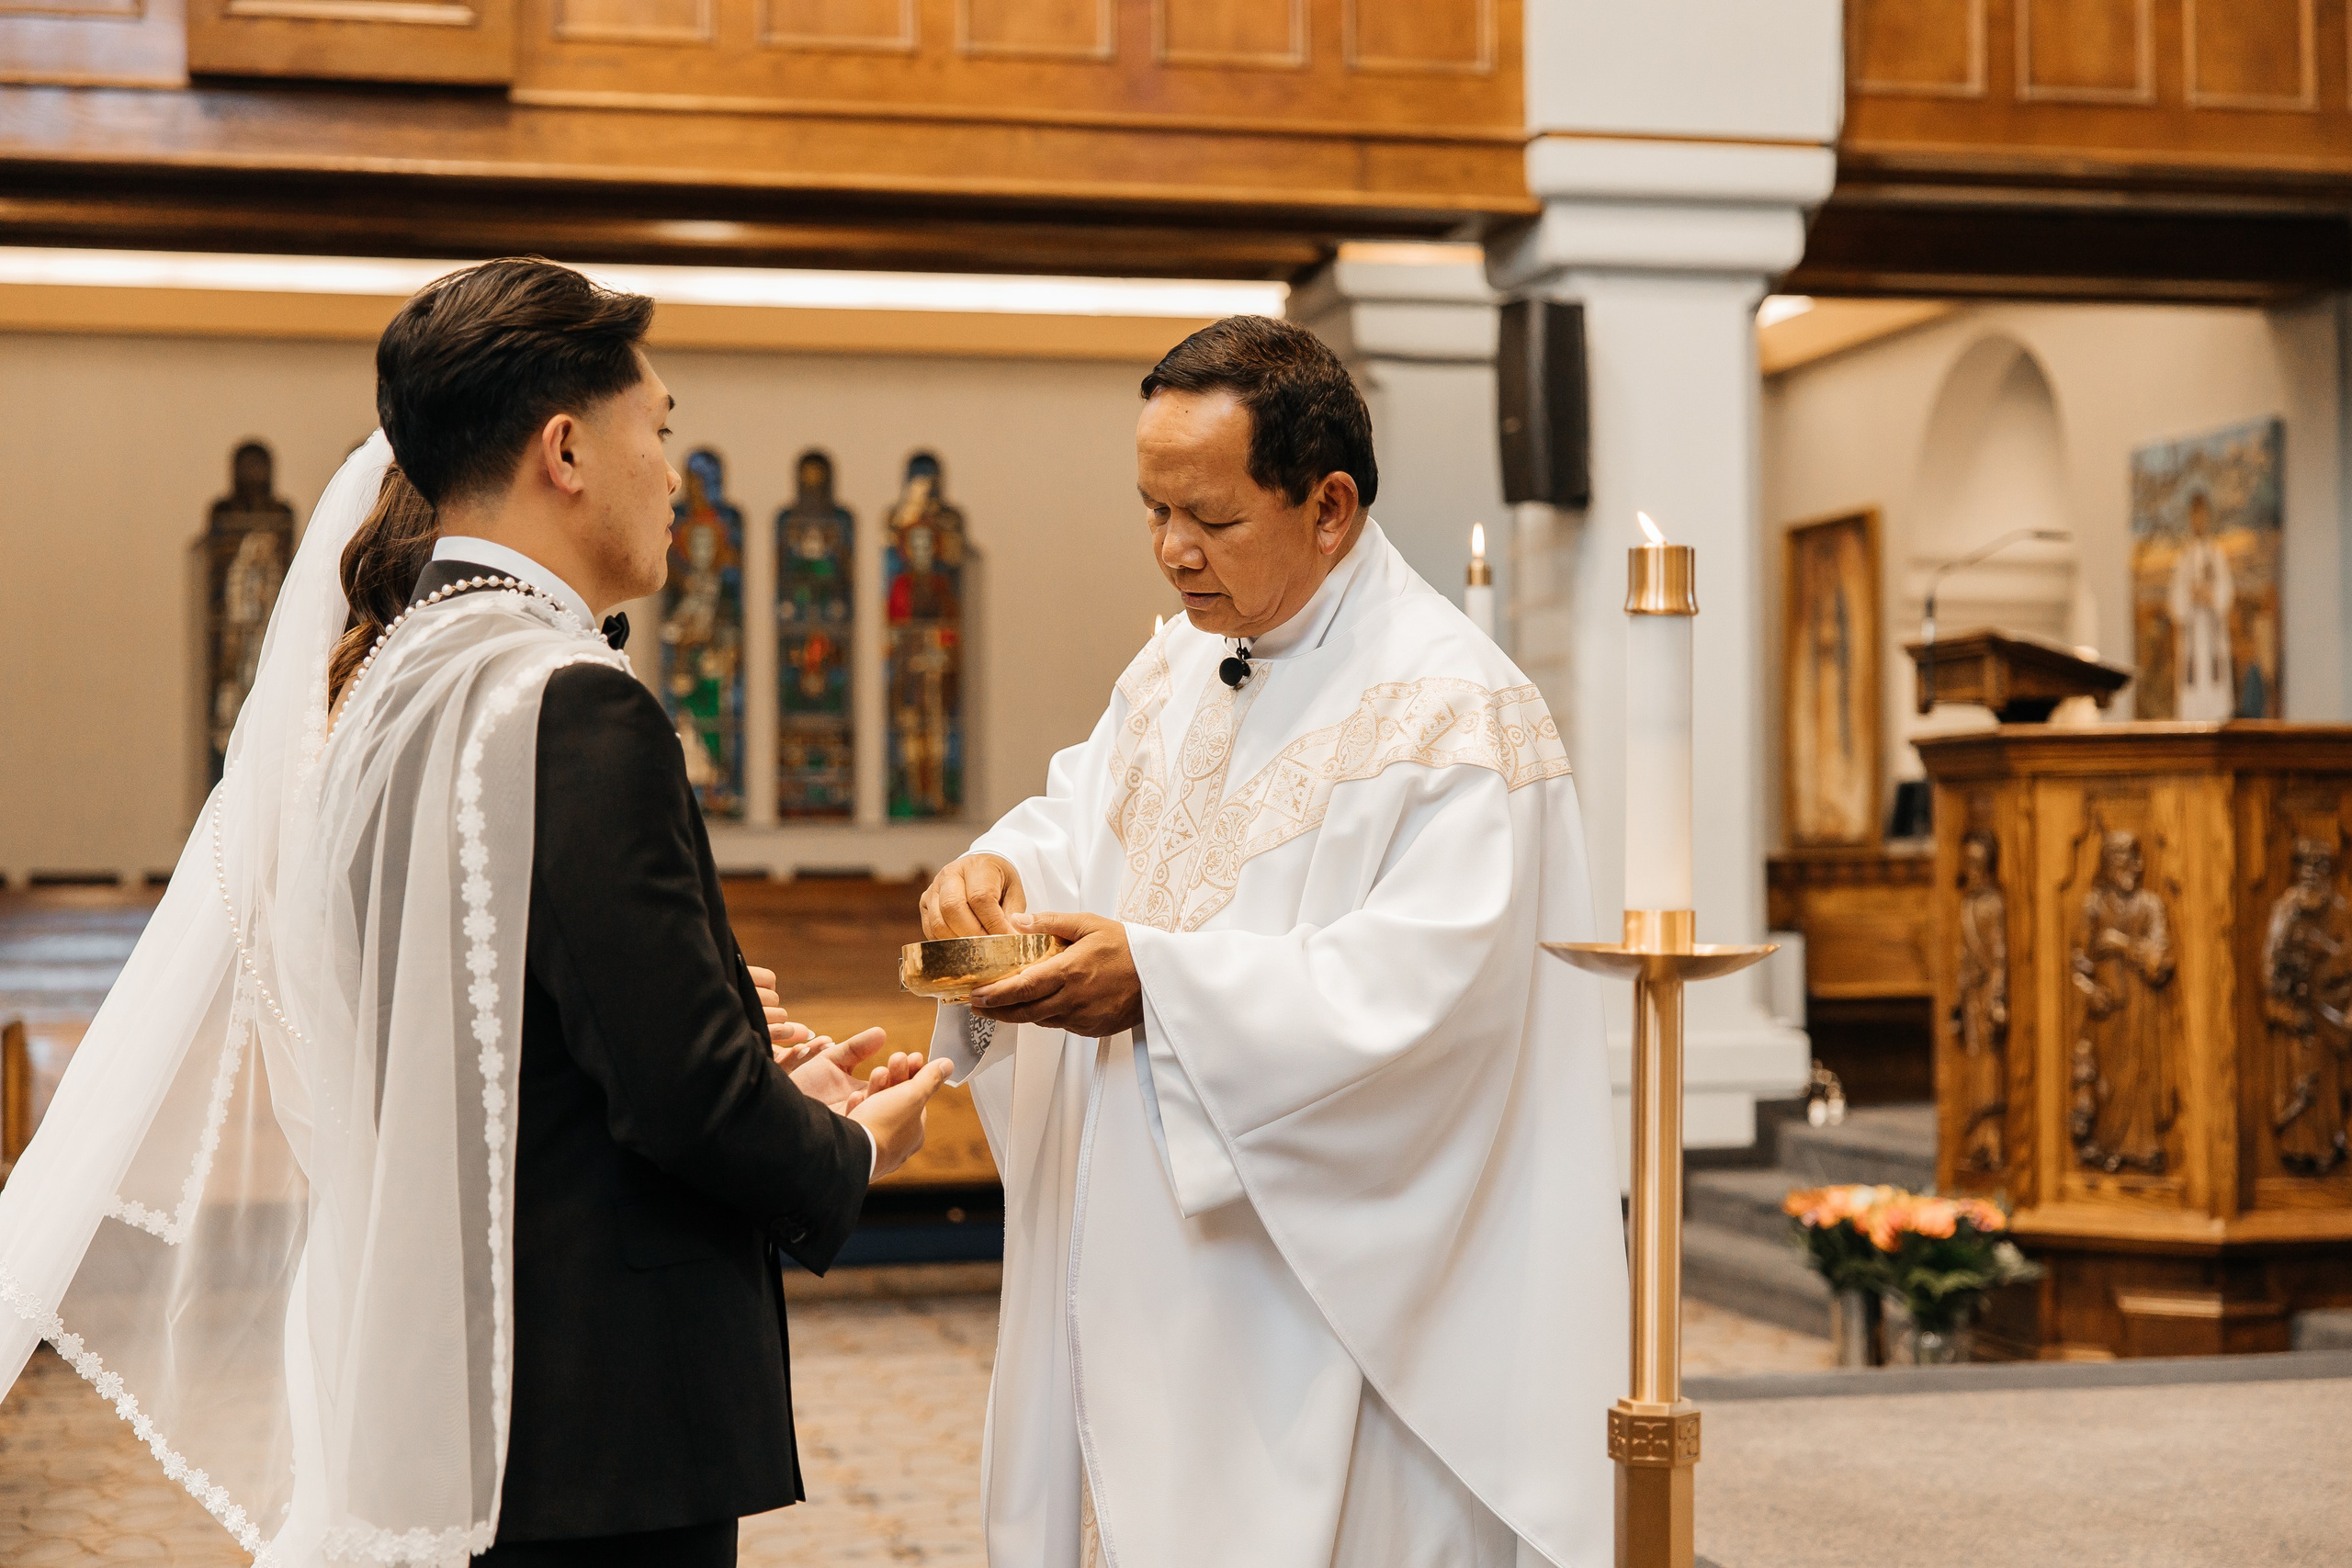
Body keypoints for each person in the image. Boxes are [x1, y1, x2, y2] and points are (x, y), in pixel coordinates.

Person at [0, 257, 953, 1568]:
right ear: (566, 447)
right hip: (595, 1407)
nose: (673, 472)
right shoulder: (572, 702)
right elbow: (675, 1094)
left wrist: (729, 1022)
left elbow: (512, 1013)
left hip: (443, 1359)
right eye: (660, 429)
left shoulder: (384, 697)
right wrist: (845, 1144)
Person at [917, 316, 1625, 1567]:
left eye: (1212, 517)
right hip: (1149, 1251)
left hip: (1328, 1292)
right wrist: (999, 871)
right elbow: (1090, 818)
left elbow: (1432, 998)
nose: (1173, 549)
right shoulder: (1179, 666)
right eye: (1151, 510)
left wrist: (1165, 982)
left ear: (1331, 503)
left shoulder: (1458, 715)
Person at [2167, 490, 2235, 721]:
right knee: (2191, 703)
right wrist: (2190, 596)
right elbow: (2176, 605)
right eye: (2195, 515)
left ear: (2208, 516)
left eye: (2203, 514)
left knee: (2216, 703)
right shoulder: (2183, 558)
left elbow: (2226, 596)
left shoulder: (2217, 555)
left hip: (2212, 640)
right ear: (2190, 517)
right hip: (2193, 642)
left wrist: (2210, 596)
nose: (2199, 520)